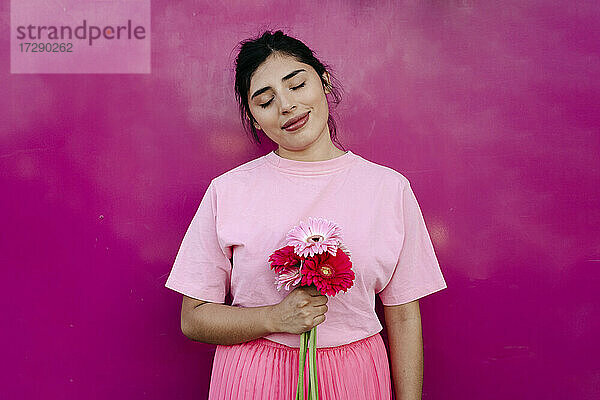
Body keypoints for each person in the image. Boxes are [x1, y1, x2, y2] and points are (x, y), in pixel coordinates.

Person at [165, 30, 448, 399]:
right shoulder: (229, 190)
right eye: (265, 101)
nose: (286, 105)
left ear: (324, 81)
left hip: (356, 376)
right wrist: (273, 318)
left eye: (297, 85)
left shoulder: (388, 189)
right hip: (254, 377)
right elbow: (194, 317)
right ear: (253, 119)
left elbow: (404, 314)